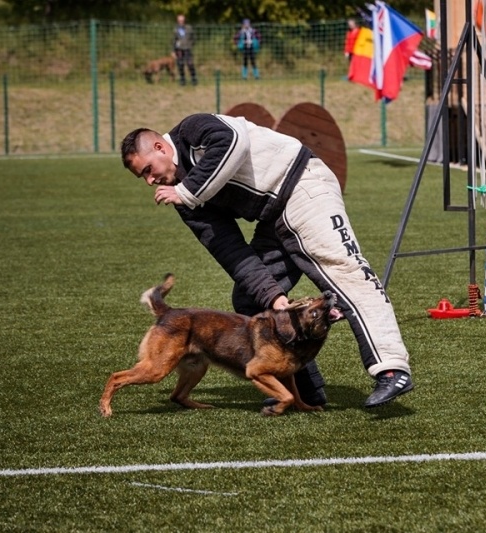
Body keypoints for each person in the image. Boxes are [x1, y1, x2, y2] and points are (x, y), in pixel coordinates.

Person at [119, 115, 414, 409]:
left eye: (148, 170)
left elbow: (232, 142)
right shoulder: (186, 198)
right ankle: (303, 391)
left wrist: (186, 191)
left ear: (160, 147)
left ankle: (392, 369)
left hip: (304, 186)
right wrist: (272, 295)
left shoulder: (192, 130)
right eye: (142, 177)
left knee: (347, 274)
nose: (150, 181)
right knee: (251, 297)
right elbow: (228, 248)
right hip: (273, 218)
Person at [172, 14, 197, 86]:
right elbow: (173, 40)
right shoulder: (175, 30)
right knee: (180, 65)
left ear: (184, 21)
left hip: (187, 49)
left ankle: (194, 80)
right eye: (179, 21)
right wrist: (173, 50)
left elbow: (194, 38)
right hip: (179, 50)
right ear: (177, 21)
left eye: (182, 21)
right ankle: (182, 81)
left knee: (190, 64)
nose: (181, 22)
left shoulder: (189, 28)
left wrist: (191, 44)